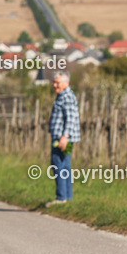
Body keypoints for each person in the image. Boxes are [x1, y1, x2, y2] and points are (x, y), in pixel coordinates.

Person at [47, 70, 80, 205]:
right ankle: (67, 197)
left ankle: (61, 197)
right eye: (54, 82)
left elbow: (71, 118)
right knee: (64, 165)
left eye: (57, 82)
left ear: (66, 83)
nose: (55, 85)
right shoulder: (63, 96)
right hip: (62, 136)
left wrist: (65, 136)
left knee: (58, 165)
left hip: (63, 138)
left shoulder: (66, 97)